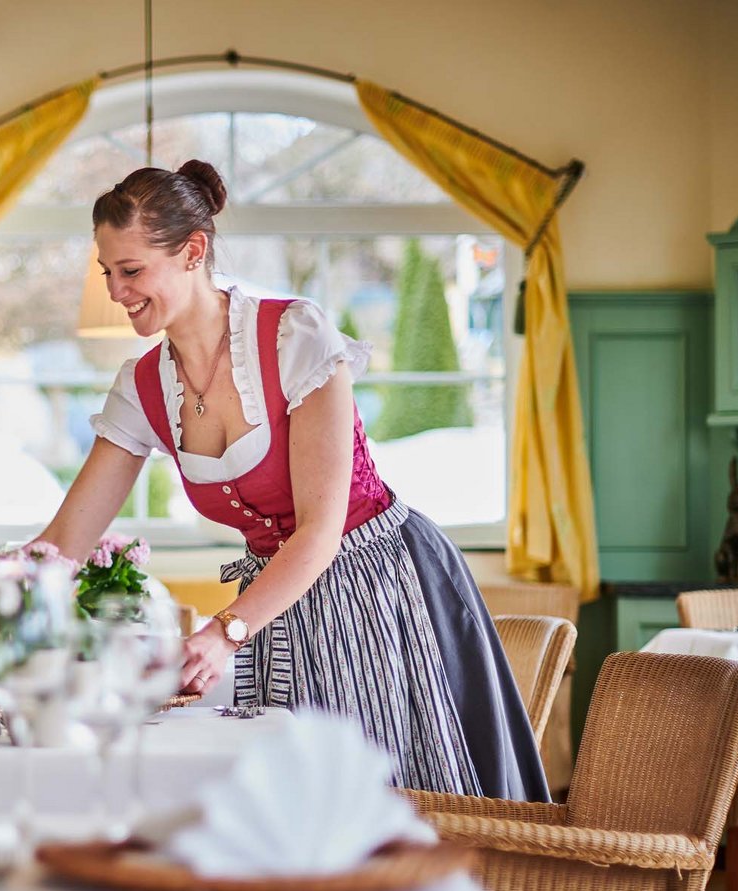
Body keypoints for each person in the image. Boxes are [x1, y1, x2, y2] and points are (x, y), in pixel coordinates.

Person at [29, 159, 547, 801]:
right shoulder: (141, 388)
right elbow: (65, 541)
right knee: (291, 803)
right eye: (107, 271)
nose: (115, 290)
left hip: (380, 587)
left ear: (194, 252)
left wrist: (225, 632)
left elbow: (321, 531)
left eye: (131, 270)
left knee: (384, 798)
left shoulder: (293, 337)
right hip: (275, 605)